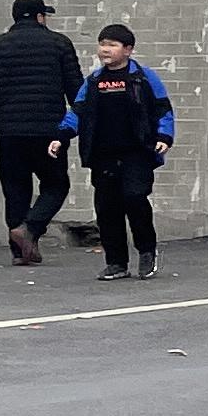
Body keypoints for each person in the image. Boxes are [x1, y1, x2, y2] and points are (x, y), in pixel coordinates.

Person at [0, 0, 82, 265]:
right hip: (49, 132)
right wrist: (86, 121)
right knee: (56, 185)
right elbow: (77, 91)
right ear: (40, 17)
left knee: (16, 189)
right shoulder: (59, 44)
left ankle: (20, 252)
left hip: (10, 132)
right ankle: (29, 230)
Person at [59, 21, 174, 279]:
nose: (105, 50)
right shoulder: (93, 81)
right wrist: (62, 136)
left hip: (137, 152)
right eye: (102, 44)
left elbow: (163, 109)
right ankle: (116, 263)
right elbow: (77, 112)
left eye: (112, 45)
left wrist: (165, 136)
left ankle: (146, 252)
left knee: (135, 198)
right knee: (107, 208)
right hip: (103, 155)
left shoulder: (144, 77)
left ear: (128, 49)